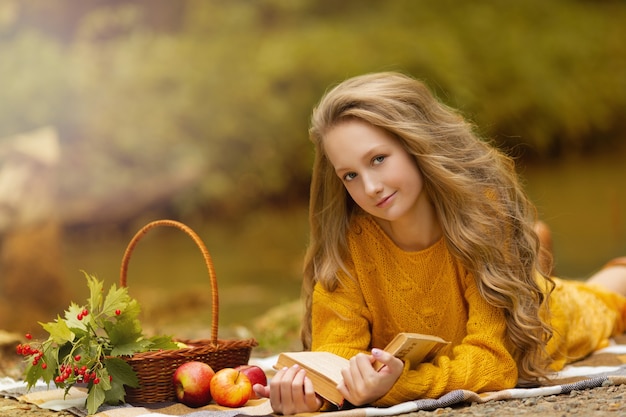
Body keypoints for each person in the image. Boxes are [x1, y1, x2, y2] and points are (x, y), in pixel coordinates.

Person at [253, 72, 626, 414]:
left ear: (417, 144)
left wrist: (400, 385)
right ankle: (535, 252)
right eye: (350, 174)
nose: (370, 187)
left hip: (543, 323)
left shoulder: (480, 220)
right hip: (492, 297)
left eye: (379, 159)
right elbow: (337, 354)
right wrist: (316, 391)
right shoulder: (347, 247)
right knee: (550, 275)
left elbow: (494, 365)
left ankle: (540, 262)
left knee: (601, 302)